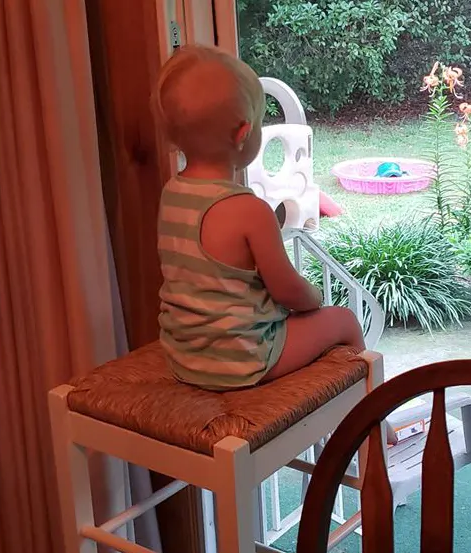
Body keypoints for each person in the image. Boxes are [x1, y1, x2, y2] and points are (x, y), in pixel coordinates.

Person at [150, 46, 365, 391]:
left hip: (184, 357)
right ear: (243, 134)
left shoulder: (172, 193)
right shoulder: (249, 211)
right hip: (243, 359)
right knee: (344, 321)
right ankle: (371, 424)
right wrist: (314, 298)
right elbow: (287, 291)